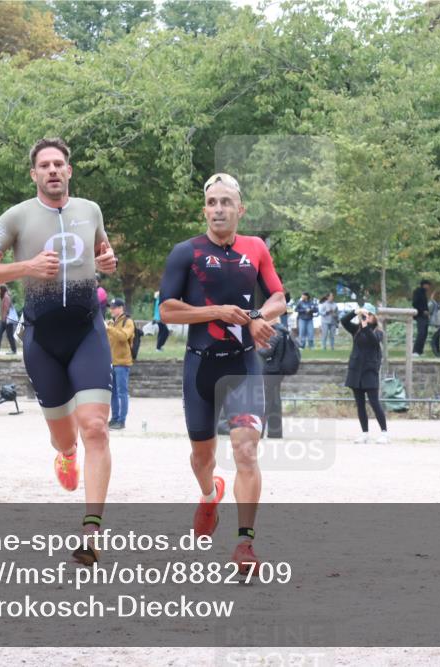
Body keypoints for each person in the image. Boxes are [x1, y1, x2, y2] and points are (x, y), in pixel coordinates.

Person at [0, 137, 118, 564]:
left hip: (88, 332)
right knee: (65, 437)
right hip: (42, 339)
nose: (52, 170)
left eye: (59, 164)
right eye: (45, 165)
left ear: (69, 170)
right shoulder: (16, 216)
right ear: (34, 173)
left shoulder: (90, 210)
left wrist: (108, 262)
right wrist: (27, 267)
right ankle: (66, 456)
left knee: (96, 427)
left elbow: (103, 252)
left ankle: (92, 531)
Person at [158, 172, 285, 573]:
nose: (218, 209)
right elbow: (167, 310)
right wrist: (217, 312)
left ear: (240, 210)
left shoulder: (256, 248)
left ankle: (245, 544)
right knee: (203, 456)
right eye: (212, 203)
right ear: (204, 210)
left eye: (226, 202)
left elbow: (278, 297)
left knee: (246, 450)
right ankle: (209, 495)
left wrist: (257, 317)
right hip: (201, 365)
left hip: (242, 365)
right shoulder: (186, 252)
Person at [340, 304, 388, 444]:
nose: (367, 317)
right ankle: (364, 433)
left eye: (370, 315)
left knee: (374, 403)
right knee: (360, 404)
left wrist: (366, 326)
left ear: (375, 317)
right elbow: (343, 321)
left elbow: (373, 341)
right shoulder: (356, 330)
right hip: (356, 372)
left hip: (369, 372)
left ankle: (384, 433)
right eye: (365, 315)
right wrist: (356, 311)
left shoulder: (378, 332)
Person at [258, 319, 292, 439]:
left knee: (264, 401)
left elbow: (266, 351)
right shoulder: (283, 331)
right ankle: (275, 432)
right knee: (274, 402)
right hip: (278, 371)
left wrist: (255, 346)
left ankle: (259, 431)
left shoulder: (275, 332)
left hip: (271, 371)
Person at [106, 297, 135, 430]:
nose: (111, 310)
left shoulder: (128, 322)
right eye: (111, 308)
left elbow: (123, 337)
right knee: (113, 393)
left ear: (121, 308)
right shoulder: (112, 323)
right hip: (112, 362)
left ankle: (121, 421)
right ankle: (114, 418)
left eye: (114, 308)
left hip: (122, 363)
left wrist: (109, 328)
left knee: (122, 393)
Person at [0, 284, 18, 354]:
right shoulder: (4, 297)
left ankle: (13, 350)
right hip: (4, 319)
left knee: (8, 335)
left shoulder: (6, 297)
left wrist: (4, 318)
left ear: (2, 290)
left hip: (6, 320)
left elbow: (6, 308)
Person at [412, 280, 432, 357]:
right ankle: (415, 351)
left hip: (425, 316)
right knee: (421, 333)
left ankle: (420, 351)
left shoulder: (424, 293)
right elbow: (415, 303)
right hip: (420, 315)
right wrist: (423, 311)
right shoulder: (418, 292)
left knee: (425, 333)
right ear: (424, 285)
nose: (429, 287)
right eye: (428, 285)